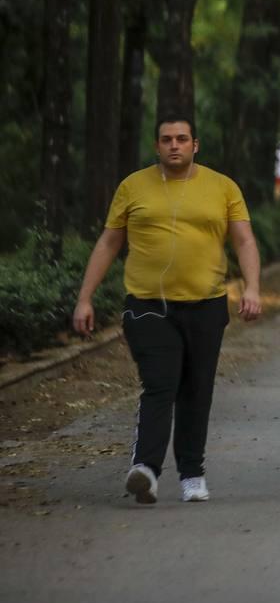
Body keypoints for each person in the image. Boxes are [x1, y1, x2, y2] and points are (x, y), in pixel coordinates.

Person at [71, 115, 262, 505]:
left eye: (182, 139)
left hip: (206, 304)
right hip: (147, 305)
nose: (174, 145)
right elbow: (109, 243)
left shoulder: (222, 187)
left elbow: (243, 241)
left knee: (196, 390)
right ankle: (146, 469)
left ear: (195, 145)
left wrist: (252, 287)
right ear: (156, 146)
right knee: (160, 383)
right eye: (166, 139)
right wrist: (85, 298)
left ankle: (192, 474)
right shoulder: (132, 186)